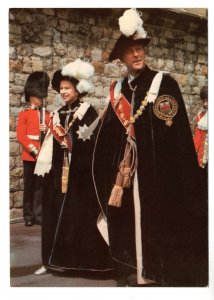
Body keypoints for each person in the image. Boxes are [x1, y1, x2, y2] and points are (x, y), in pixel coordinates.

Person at [92, 9, 208, 287]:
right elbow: (109, 133)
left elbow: (174, 134)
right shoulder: (118, 89)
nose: (137, 54)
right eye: (130, 51)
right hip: (128, 174)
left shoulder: (163, 83)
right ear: (121, 57)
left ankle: (156, 270)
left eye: (139, 48)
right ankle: (136, 268)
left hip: (158, 174)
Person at [34, 59, 113, 276]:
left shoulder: (87, 112)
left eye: (67, 88)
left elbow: (95, 143)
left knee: (78, 216)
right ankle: (50, 260)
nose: (64, 92)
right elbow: (50, 144)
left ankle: (80, 263)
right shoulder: (58, 113)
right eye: (61, 89)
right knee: (53, 212)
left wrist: (71, 144)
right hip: (59, 171)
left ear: (78, 89)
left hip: (81, 175)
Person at [16, 71, 50, 226]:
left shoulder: (47, 114)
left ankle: (38, 215)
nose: (40, 100)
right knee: (29, 186)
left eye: (41, 97)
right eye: (38, 97)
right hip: (30, 156)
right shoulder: (24, 114)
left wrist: (47, 127)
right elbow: (21, 136)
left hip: (43, 155)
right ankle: (28, 216)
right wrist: (34, 151)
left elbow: (53, 133)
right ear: (31, 97)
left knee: (39, 186)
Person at [193, 85, 208, 195]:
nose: (205, 104)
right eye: (204, 101)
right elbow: (197, 139)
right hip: (202, 159)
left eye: (208, 100)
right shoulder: (200, 116)